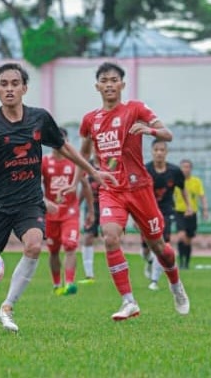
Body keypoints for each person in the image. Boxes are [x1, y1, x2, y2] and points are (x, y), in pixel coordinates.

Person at [0, 62, 116, 334]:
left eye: (15, 84)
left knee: (34, 246)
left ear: (24, 88)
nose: (9, 89)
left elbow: (63, 146)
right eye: (4, 84)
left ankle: (7, 308)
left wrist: (92, 170)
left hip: (29, 202)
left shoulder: (39, 119)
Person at [76, 61, 190, 321]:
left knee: (159, 246)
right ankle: (128, 301)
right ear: (97, 86)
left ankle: (175, 285)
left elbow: (167, 133)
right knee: (110, 236)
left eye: (114, 80)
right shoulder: (90, 120)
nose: (109, 85)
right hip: (111, 190)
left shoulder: (135, 109)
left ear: (122, 85)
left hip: (139, 189)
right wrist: (78, 180)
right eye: (104, 80)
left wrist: (148, 130)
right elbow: (83, 153)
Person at [41, 127, 95, 296]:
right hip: (51, 214)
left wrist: (90, 211)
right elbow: (34, 185)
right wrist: (44, 202)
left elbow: (85, 185)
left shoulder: (74, 162)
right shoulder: (44, 162)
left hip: (70, 213)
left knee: (70, 246)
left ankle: (70, 283)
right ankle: (57, 284)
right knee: (54, 251)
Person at [141, 140, 192, 291]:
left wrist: (188, 206)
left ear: (166, 152)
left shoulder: (175, 171)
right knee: (146, 248)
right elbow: (138, 193)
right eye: (156, 150)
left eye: (162, 150)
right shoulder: (145, 170)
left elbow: (183, 190)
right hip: (147, 212)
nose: (159, 153)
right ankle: (149, 260)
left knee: (162, 244)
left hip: (166, 211)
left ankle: (154, 280)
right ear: (152, 151)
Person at [174, 159, 209, 269]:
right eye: (183, 167)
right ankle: (180, 261)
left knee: (188, 239)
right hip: (180, 212)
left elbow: (202, 196)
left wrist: (205, 209)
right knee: (181, 236)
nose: (185, 169)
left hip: (192, 213)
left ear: (191, 169)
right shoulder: (176, 181)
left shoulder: (196, 181)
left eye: (188, 167)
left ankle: (186, 263)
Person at [77, 157, 102, 285]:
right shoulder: (87, 164)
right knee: (87, 237)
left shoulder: (110, 162)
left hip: (108, 204)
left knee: (112, 237)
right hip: (91, 205)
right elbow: (84, 186)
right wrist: (77, 205)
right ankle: (89, 275)